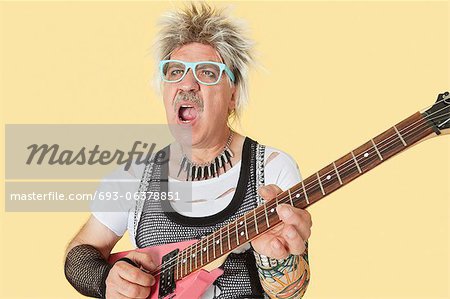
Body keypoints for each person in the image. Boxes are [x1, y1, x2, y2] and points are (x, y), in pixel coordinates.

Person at [64, 3, 312, 299]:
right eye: (176, 71)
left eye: (207, 72)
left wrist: (276, 259)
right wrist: (105, 279)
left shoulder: (272, 169)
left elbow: (291, 292)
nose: (187, 84)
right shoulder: (135, 176)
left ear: (233, 94)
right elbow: (77, 255)